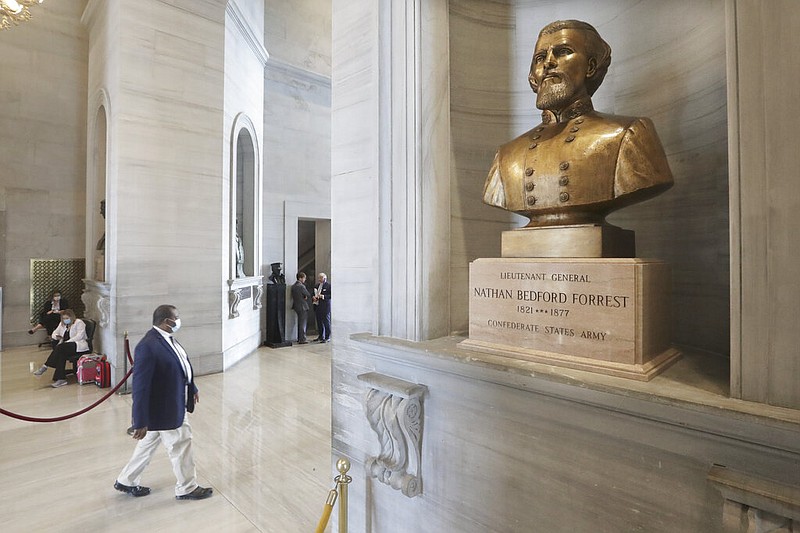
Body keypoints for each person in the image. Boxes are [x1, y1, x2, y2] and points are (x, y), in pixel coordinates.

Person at [483, 19, 673, 228]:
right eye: (540, 57)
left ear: (590, 67)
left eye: (562, 51)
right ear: (533, 77)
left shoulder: (627, 134)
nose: (548, 63)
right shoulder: (507, 155)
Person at [114, 304, 213, 501]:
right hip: (166, 408)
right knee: (181, 444)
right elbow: (140, 388)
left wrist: (192, 387)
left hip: (174, 401)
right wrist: (139, 421)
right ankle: (187, 487)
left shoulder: (167, 339)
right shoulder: (148, 346)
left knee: (148, 444)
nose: (178, 320)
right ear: (166, 321)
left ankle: (127, 479)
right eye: (176, 317)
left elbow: (181, 365)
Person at [32, 309, 88, 388]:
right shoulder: (62, 324)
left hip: (77, 345)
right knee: (60, 353)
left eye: (67, 318)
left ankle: (45, 366)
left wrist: (67, 342)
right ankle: (61, 379)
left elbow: (80, 336)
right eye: (64, 318)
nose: (65, 320)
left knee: (60, 347)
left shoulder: (79, 322)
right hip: (65, 347)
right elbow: (54, 333)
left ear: (71, 317)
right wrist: (57, 337)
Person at [291, 272, 312, 344]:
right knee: (303, 323)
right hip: (302, 306)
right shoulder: (301, 286)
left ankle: (299, 337)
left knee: (299, 322)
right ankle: (302, 339)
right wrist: (305, 296)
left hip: (296, 306)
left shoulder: (293, 286)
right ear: (300, 278)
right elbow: (308, 294)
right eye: (304, 278)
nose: (305, 280)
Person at [312, 272, 331, 343]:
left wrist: (324, 296)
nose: (319, 279)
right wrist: (313, 297)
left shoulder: (328, 286)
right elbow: (313, 293)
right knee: (319, 322)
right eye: (319, 278)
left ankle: (327, 336)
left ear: (325, 278)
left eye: (321, 278)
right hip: (317, 305)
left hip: (325, 307)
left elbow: (331, 295)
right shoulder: (317, 285)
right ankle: (320, 336)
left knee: (326, 322)